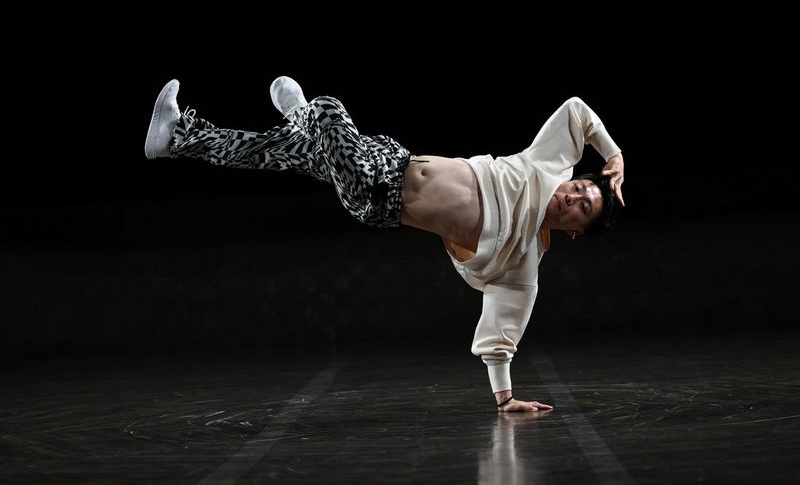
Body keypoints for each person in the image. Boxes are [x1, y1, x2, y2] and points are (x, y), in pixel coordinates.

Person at [144, 77, 625, 413]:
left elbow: (501, 337)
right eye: (580, 188)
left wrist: (505, 398)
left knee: (328, 110)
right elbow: (578, 112)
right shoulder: (544, 166)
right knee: (285, 153)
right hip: (391, 154)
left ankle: (302, 117)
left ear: (576, 231)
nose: (574, 197)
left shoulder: (522, 265)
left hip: (378, 195)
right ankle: (179, 138)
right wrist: (613, 153)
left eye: (583, 207)